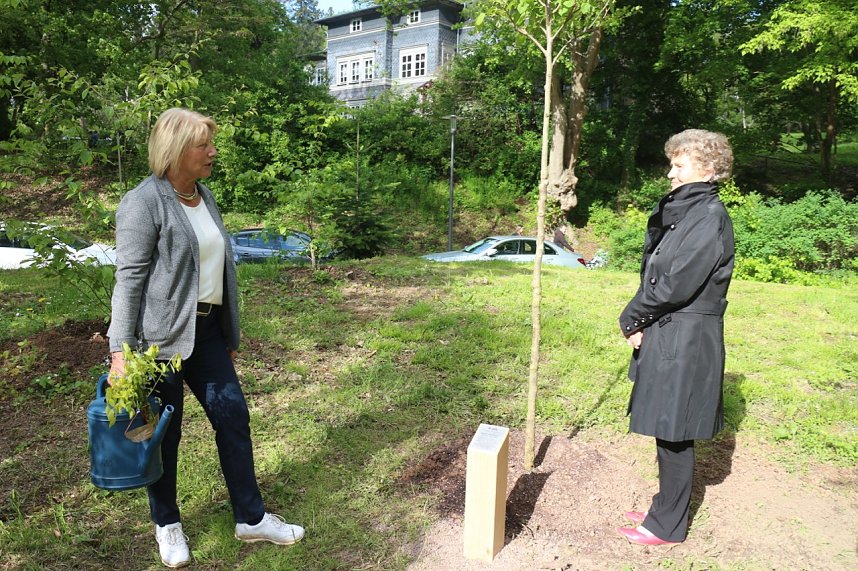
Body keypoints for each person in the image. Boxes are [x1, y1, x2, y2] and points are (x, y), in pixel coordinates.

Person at [107, 108, 304, 568]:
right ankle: (167, 525)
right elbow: (129, 279)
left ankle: (251, 519)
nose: (212, 152)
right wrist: (120, 349)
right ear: (175, 151)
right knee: (163, 435)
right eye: (203, 145)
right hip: (158, 343)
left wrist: (228, 329)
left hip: (208, 332)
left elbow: (218, 267)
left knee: (233, 417)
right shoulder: (144, 202)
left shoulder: (203, 194)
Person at [616, 129, 735, 546]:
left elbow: (676, 285)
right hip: (672, 331)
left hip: (686, 340)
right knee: (669, 429)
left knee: (675, 432)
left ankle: (666, 527)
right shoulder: (690, 212)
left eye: (679, 165)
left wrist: (632, 318)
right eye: (672, 163)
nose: (670, 173)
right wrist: (644, 322)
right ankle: (664, 508)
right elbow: (660, 273)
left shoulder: (708, 218)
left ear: (707, 169)